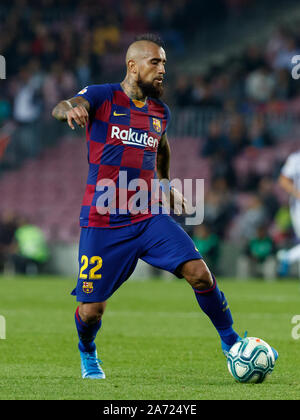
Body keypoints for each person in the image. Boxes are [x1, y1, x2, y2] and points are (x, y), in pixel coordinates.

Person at [52, 33, 277, 379]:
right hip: (103, 221)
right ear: (132, 65)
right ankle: (88, 353)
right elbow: (61, 106)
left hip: (147, 214)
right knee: (92, 310)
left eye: (164, 64)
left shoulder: (160, 111)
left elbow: (161, 147)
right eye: (155, 62)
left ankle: (231, 342)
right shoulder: (102, 96)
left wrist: (167, 184)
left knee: (200, 274)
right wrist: (73, 108)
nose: (162, 70)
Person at [277, 151, 300, 275]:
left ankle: (288, 257)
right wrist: (297, 194)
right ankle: (288, 257)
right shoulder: (296, 158)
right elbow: (283, 180)